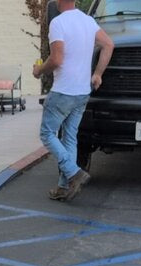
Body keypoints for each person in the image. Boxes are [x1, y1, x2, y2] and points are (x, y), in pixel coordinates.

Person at [32, 0, 114, 202]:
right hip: (82, 92)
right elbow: (108, 44)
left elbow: (57, 59)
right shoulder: (88, 21)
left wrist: (38, 71)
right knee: (70, 137)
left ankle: (74, 172)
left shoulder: (58, 23)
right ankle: (64, 187)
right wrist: (98, 74)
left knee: (47, 134)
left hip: (63, 91)